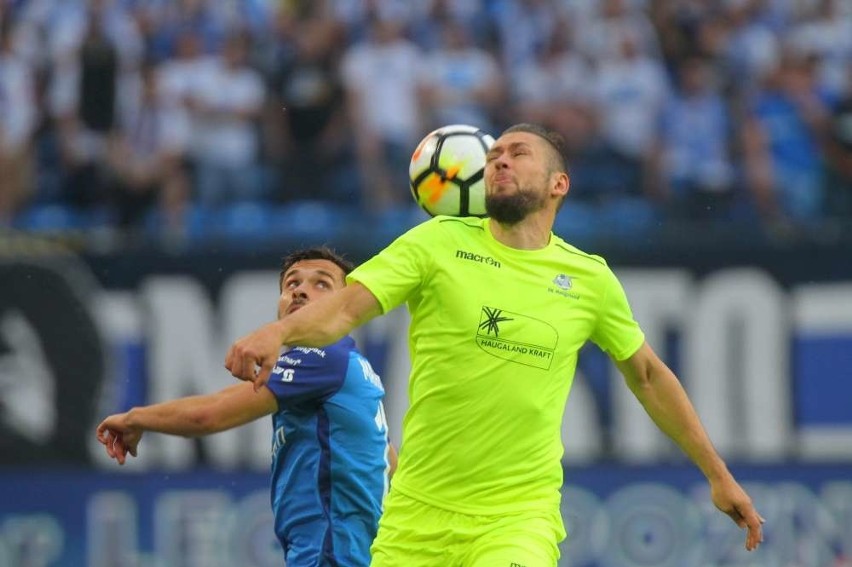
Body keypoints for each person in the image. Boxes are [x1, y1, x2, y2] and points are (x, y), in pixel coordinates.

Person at [225, 124, 765, 566]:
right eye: (495, 153)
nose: (499, 160)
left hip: (517, 519)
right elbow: (343, 308)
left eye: (518, 153)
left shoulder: (589, 279)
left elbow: (647, 375)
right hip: (415, 517)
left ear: (558, 185)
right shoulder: (436, 243)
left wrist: (718, 476)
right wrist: (278, 333)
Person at [97, 246, 397, 567]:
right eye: (292, 284)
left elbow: (208, 415)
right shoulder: (352, 368)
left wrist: (136, 418)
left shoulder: (321, 357)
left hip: (331, 555)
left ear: (344, 307)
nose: (300, 292)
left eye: (321, 284)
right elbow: (390, 462)